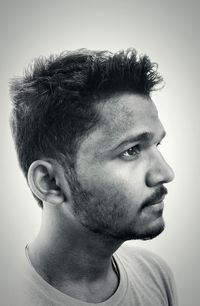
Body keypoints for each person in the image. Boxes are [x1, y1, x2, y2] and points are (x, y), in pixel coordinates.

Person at [10, 48, 178, 305]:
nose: (165, 174)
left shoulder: (155, 274)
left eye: (157, 145)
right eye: (131, 150)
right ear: (50, 182)